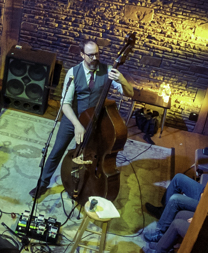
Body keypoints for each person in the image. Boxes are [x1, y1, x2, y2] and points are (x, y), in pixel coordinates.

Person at [31, 40, 135, 199]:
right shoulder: (73, 72)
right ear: (82, 55)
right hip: (73, 118)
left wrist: (122, 80)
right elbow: (65, 104)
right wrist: (77, 125)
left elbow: (129, 94)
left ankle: (86, 183)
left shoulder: (107, 70)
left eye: (97, 54)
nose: (95, 58)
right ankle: (43, 183)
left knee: (92, 153)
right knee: (57, 150)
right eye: (90, 55)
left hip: (95, 120)